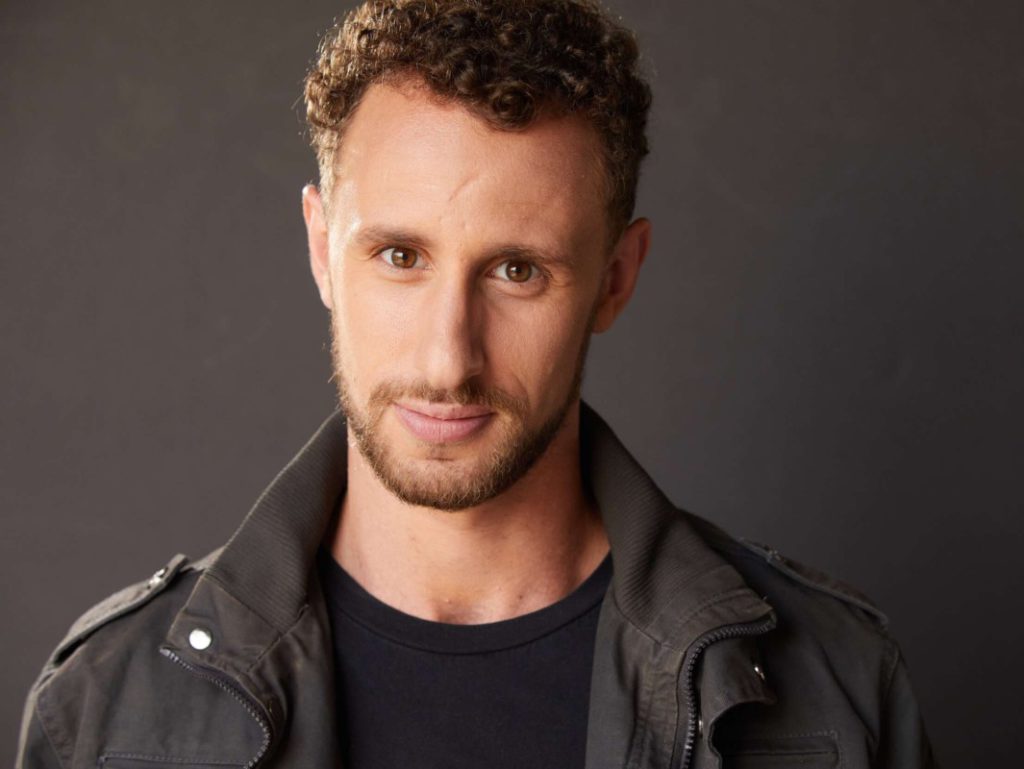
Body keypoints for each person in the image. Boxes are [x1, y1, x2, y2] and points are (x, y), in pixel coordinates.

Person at [16, 1, 937, 767]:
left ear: (616, 278)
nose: (448, 359)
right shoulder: (109, 707)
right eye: (400, 256)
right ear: (321, 248)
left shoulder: (837, 688)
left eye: (517, 271)